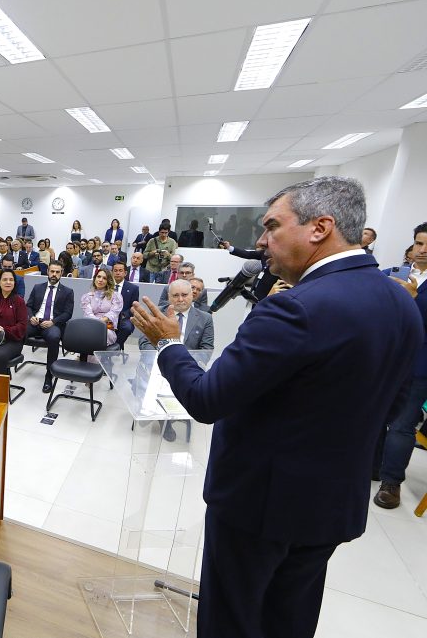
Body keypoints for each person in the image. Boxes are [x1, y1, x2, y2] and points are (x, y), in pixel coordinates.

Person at [129, 176, 421, 638]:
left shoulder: (294, 308)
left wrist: (168, 344)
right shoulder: (401, 303)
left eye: (271, 226)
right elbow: (394, 406)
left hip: (259, 507)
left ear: (320, 227)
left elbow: (207, 399)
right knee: (289, 619)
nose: (262, 242)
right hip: (331, 505)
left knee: (232, 620)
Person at [373, 221, 427, 508]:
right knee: (373, 416)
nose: (423, 249)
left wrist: (414, 300)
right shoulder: (390, 275)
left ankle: (391, 483)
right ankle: (372, 467)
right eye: (419, 243)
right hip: (384, 359)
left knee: (402, 425)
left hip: (418, 366)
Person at [25, 263, 74, 391]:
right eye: (52, 271)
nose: (54, 274)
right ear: (47, 271)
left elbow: (68, 313)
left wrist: (53, 321)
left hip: (53, 324)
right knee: (18, 331)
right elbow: (28, 306)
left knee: (54, 337)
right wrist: (31, 317)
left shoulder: (68, 291)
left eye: (57, 272)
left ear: (61, 273)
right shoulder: (37, 287)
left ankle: (49, 374)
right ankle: (7, 366)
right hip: (35, 322)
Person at [139, 278, 213, 351]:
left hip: (189, 358)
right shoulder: (156, 313)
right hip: (159, 356)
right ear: (169, 297)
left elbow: (207, 349)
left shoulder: (205, 318)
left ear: (191, 295)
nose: (180, 299)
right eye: (175, 295)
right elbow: (145, 342)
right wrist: (157, 357)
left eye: (184, 295)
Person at [80, 269, 123, 347]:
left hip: (107, 328)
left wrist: (100, 323)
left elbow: (113, 313)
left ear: (108, 281)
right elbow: (88, 313)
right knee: (84, 334)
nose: (100, 280)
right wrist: (96, 324)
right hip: (91, 325)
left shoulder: (116, 296)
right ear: (95, 278)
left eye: (104, 278)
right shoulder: (87, 297)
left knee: (99, 334)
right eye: (98, 277)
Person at [110, 262, 139, 347]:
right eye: (115, 270)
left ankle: (116, 346)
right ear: (112, 272)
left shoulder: (133, 288)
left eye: (120, 270)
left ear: (125, 273)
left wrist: (123, 315)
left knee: (127, 327)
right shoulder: (107, 286)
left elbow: (133, 307)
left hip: (124, 317)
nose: (118, 273)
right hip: (108, 315)